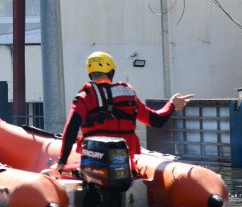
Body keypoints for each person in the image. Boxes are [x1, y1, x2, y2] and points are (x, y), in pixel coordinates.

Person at [49, 51, 193, 177]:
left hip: (95, 166)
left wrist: (62, 162)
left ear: (90, 73)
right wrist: (172, 104)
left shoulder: (84, 96)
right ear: (112, 72)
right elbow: (156, 120)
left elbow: (71, 128)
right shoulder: (127, 94)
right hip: (126, 167)